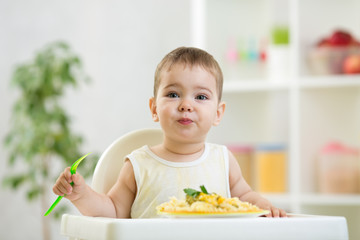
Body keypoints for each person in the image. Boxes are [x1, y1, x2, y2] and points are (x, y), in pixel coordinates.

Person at [53, 47, 287, 218]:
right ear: (154, 108)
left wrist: (266, 207)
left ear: (218, 113)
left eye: (201, 97)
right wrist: (81, 195)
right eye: (174, 94)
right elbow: (112, 211)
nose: (186, 104)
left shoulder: (223, 161)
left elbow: (246, 198)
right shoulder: (138, 165)